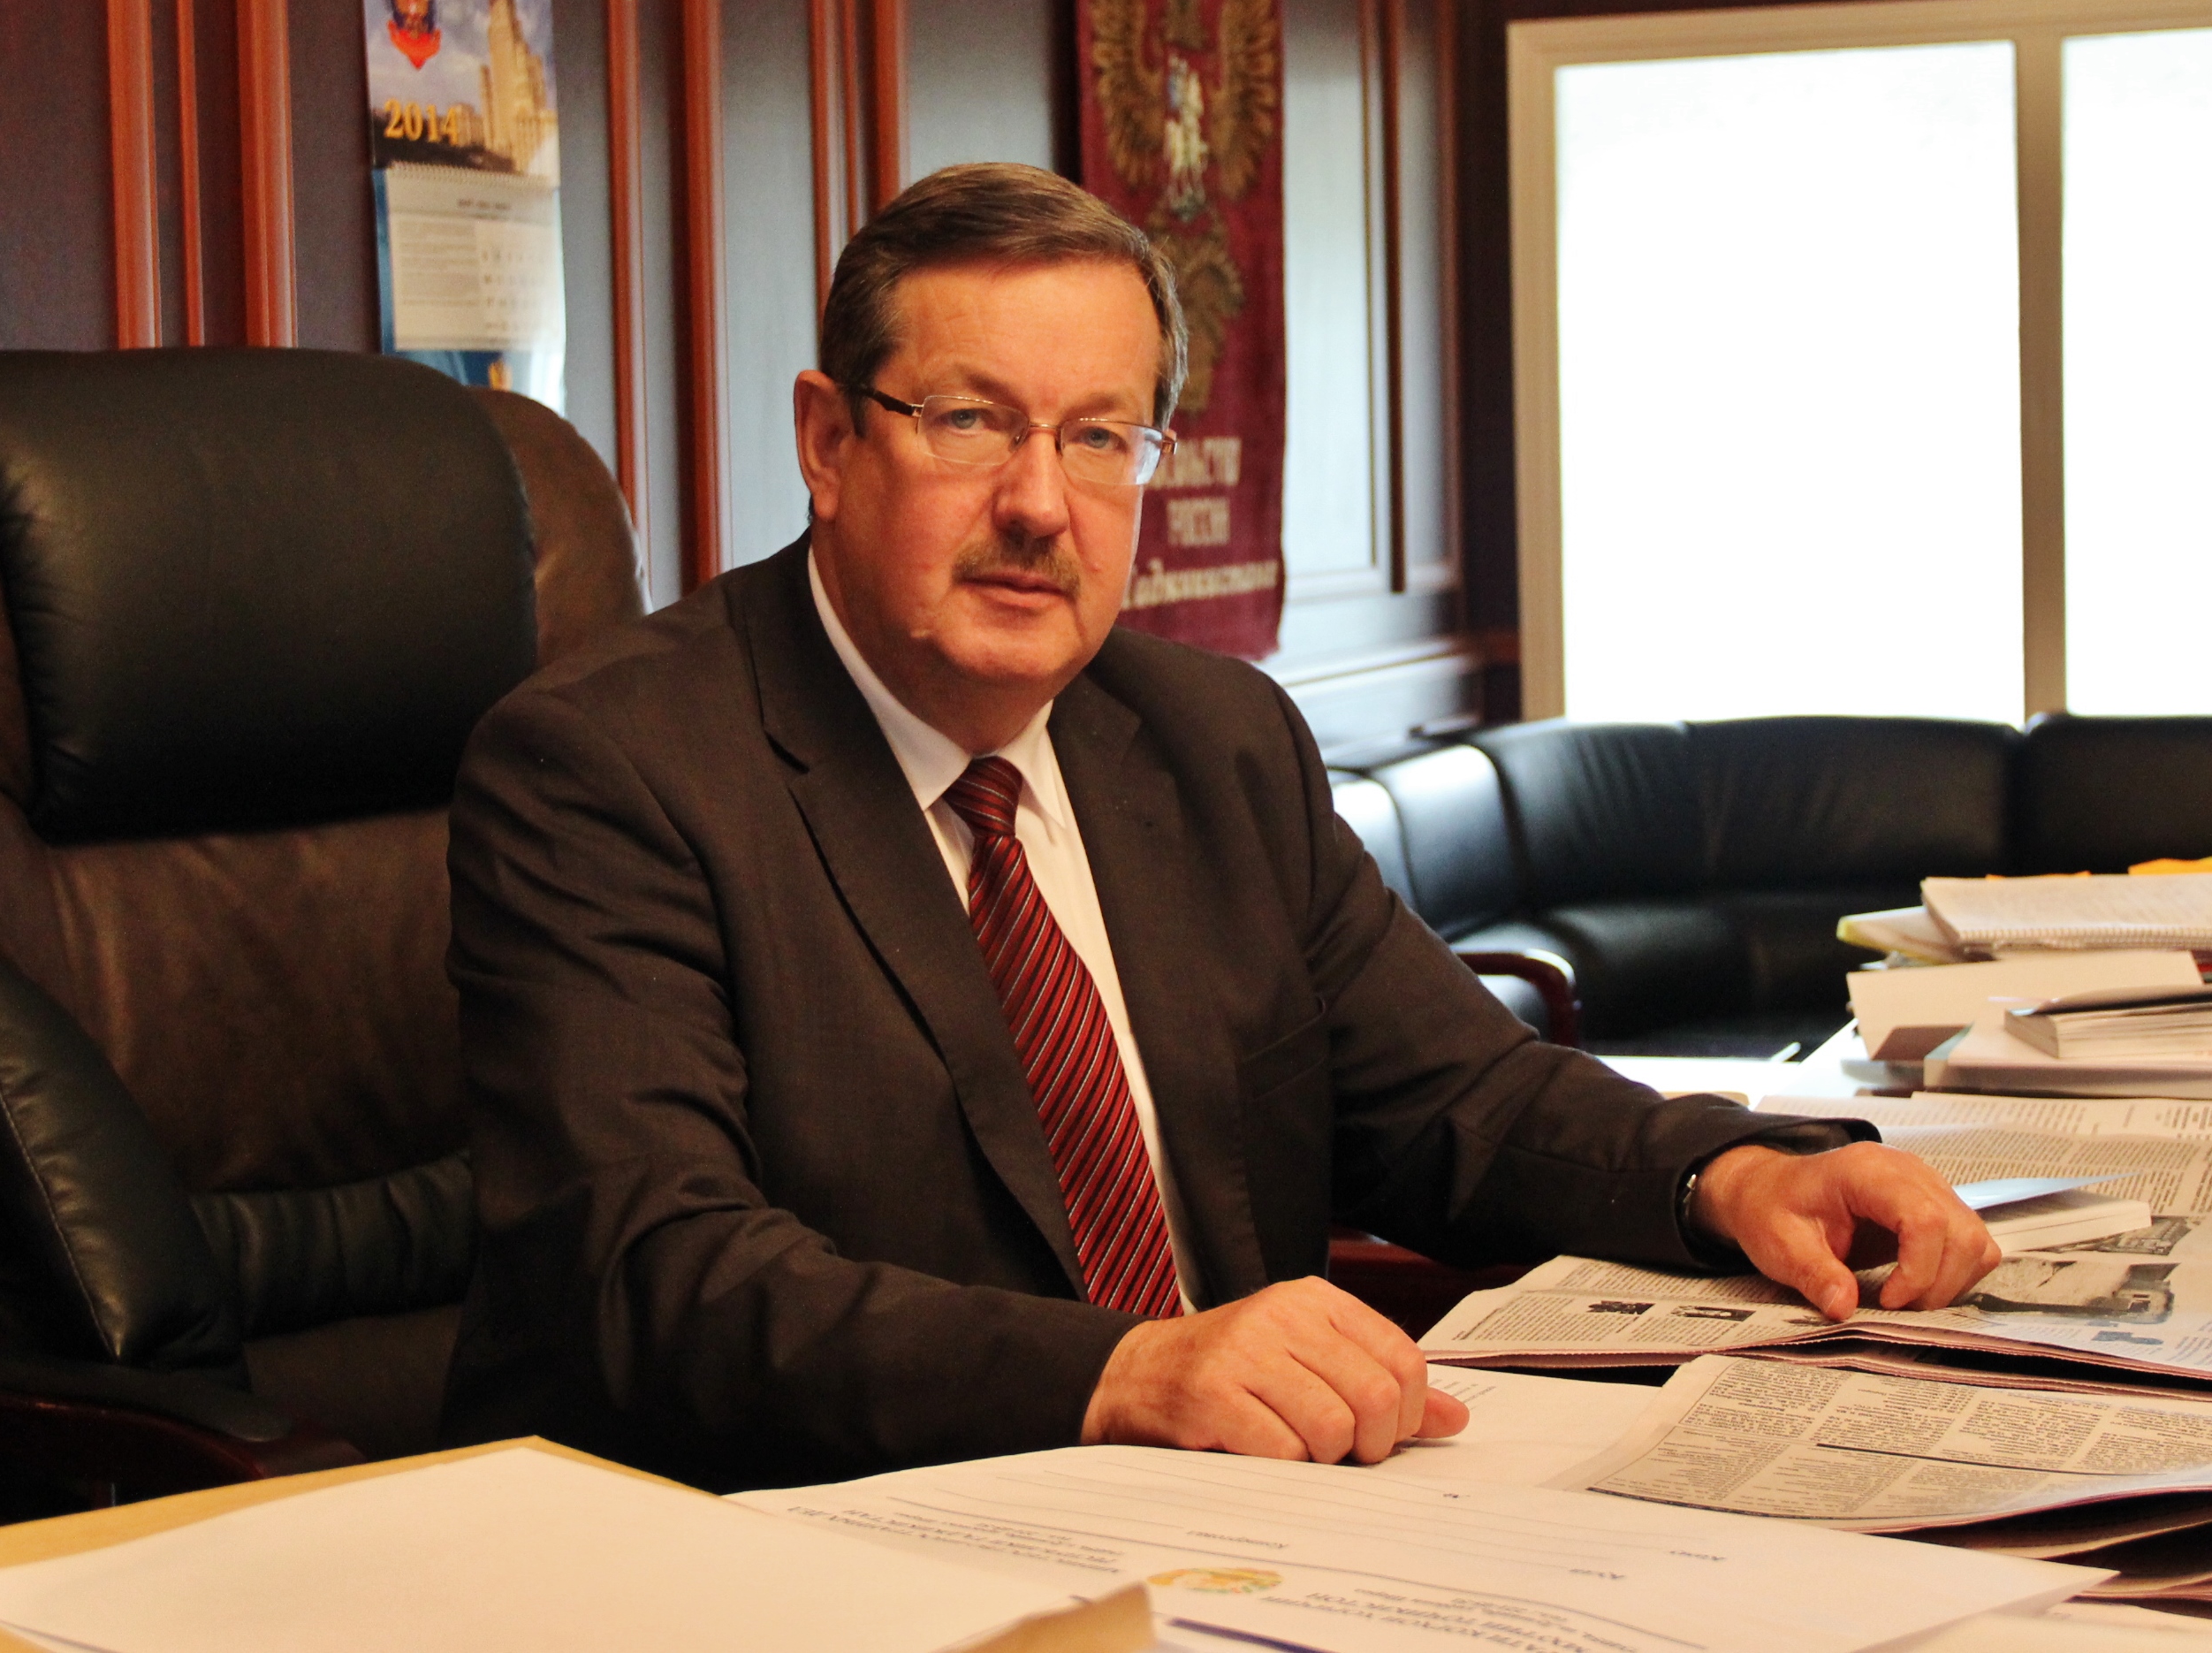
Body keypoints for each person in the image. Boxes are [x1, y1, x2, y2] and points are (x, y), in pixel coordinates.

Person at [439, 162, 1998, 1489]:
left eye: (1098, 438)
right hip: (805, 1549)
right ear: (830, 444)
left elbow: (1460, 1097)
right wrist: (1123, 1371)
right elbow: (661, 1276)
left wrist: (1730, 1177)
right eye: (971, 422)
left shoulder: (1208, 739)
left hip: (1252, 1531)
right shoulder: (612, 771)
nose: (1039, 504)